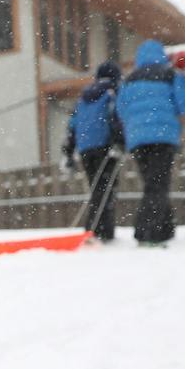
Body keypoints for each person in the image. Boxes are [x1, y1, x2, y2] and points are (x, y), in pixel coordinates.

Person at [117, 39, 185, 246]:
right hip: (163, 136)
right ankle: (147, 233)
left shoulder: (128, 79)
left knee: (153, 184)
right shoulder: (171, 76)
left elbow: (121, 110)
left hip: (138, 140)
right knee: (158, 185)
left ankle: (164, 230)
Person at [64, 60, 124, 242]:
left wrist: (69, 151)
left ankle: (96, 229)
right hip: (105, 146)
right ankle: (100, 232)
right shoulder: (112, 92)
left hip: (85, 149)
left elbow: (73, 125)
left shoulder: (83, 97)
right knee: (106, 190)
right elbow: (115, 116)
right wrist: (119, 141)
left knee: (96, 189)